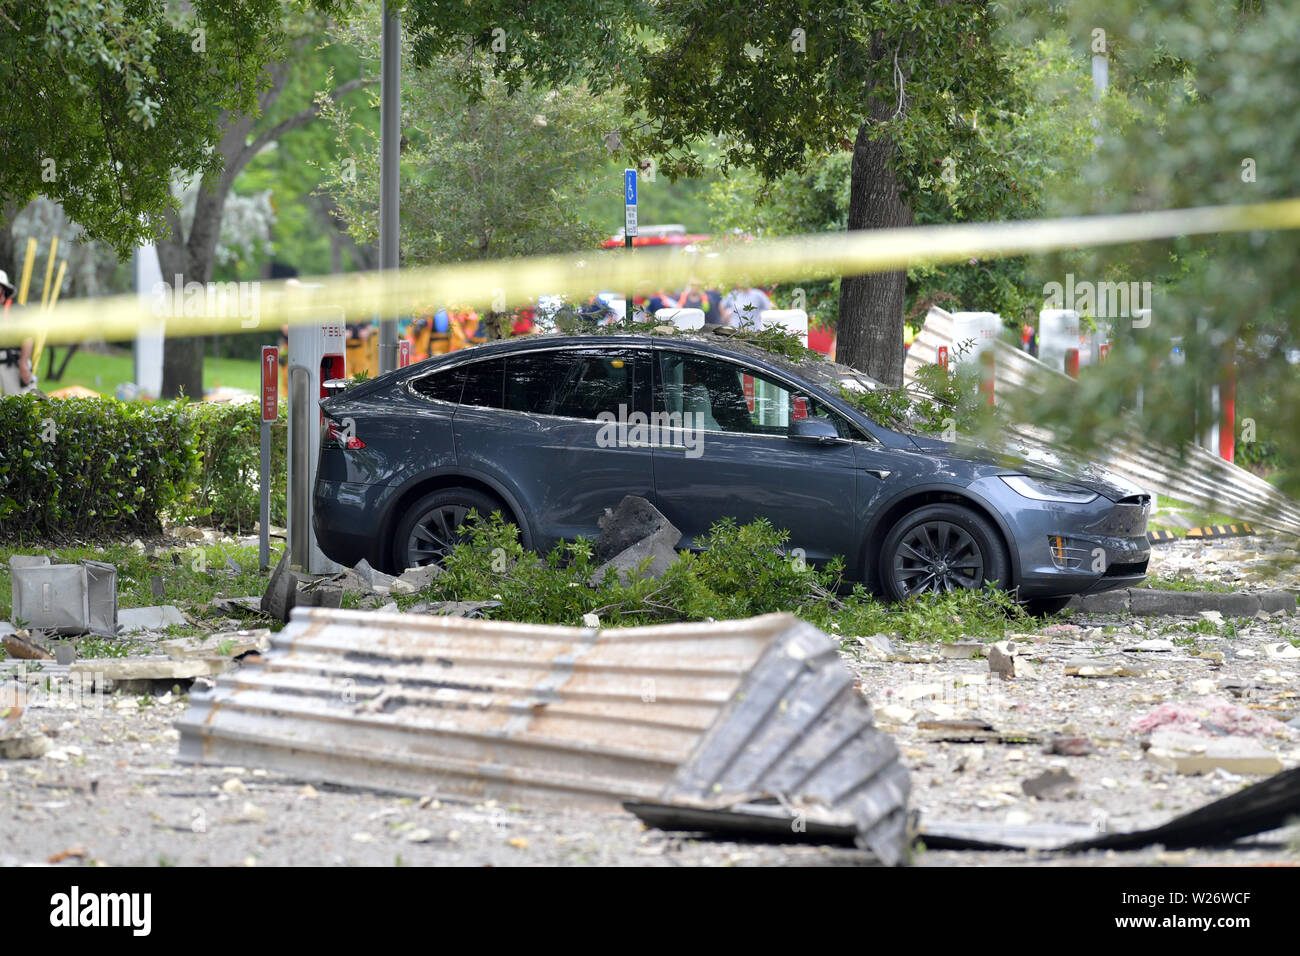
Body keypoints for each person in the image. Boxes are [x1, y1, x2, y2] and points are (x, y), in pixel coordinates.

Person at [0, 270, 35, 395]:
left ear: (3, 289)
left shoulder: (16, 310)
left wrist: (23, 364)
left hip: (12, 364)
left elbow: (28, 338)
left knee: (16, 405)